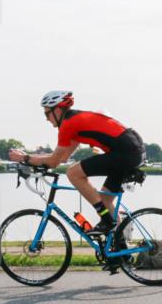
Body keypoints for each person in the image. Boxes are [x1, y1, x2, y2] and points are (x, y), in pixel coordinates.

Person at [8, 91, 145, 236]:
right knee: (104, 200)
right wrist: (29, 157)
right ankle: (120, 248)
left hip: (126, 152)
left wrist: (25, 159)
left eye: (47, 114)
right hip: (131, 150)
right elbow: (61, 157)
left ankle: (107, 220)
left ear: (58, 110)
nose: (46, 119)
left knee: (73, 173)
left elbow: (54, 161)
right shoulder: (75, 122)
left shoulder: (69, 124)